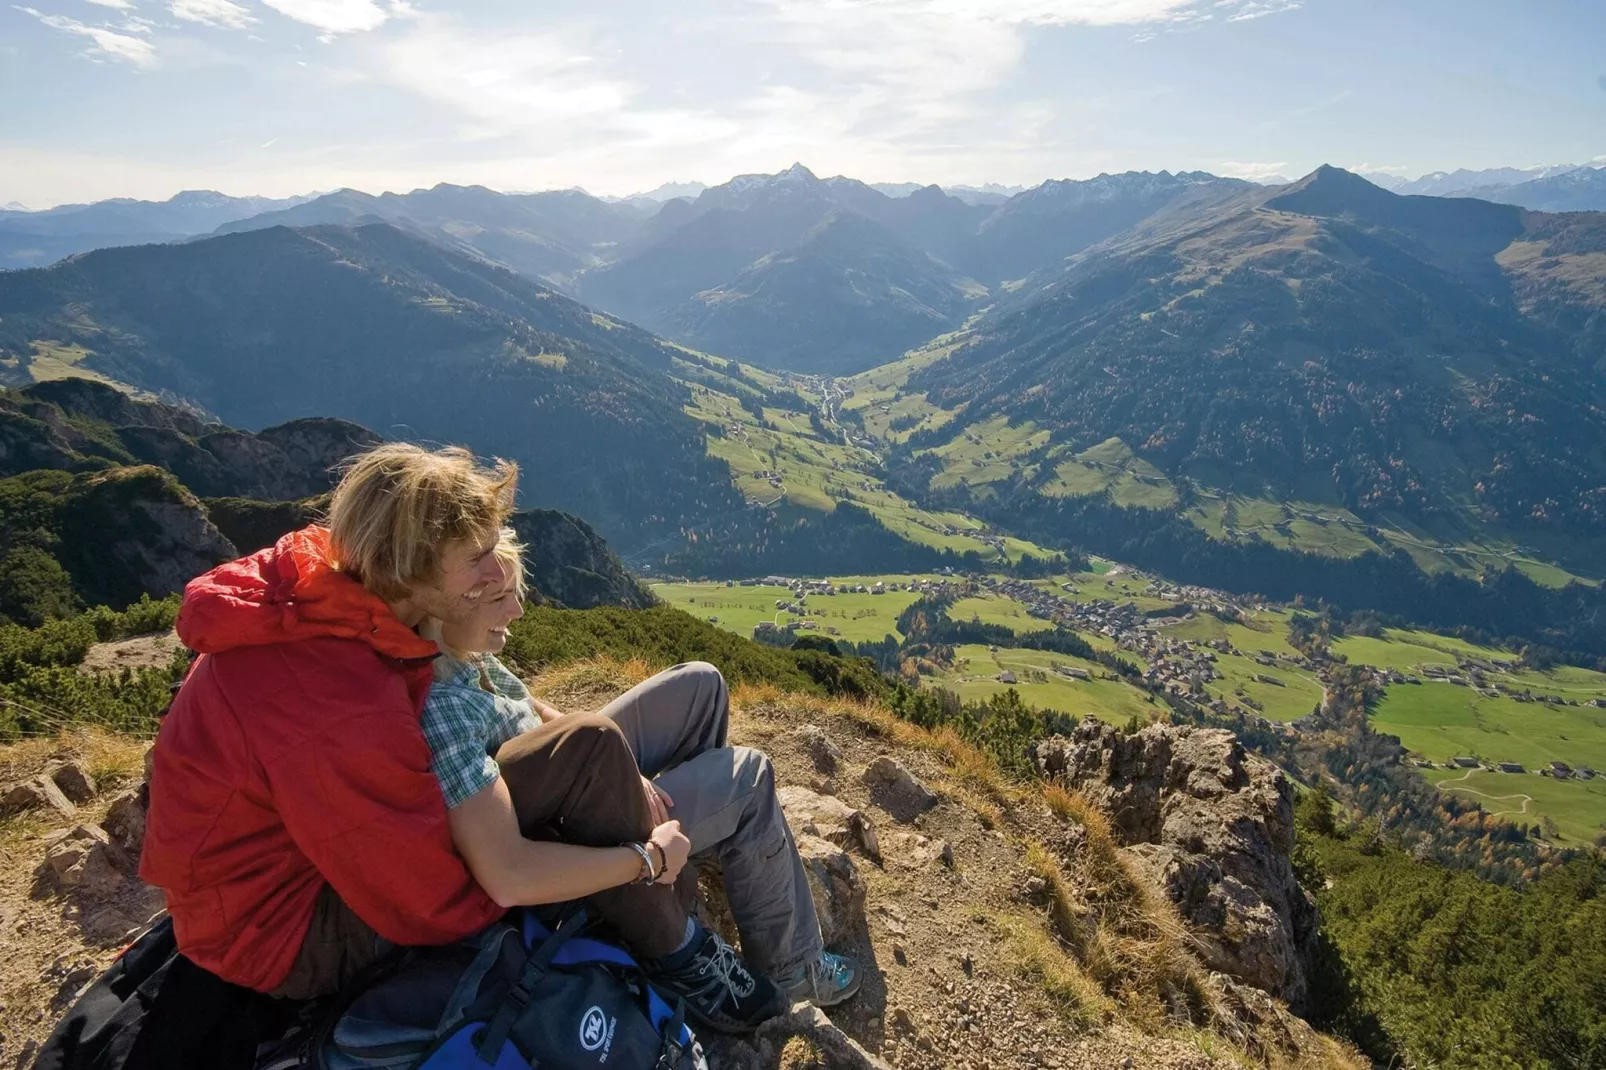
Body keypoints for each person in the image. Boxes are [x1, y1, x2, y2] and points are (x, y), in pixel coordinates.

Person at [417, 533, 860, 1033]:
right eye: (501, 598)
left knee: (702, 685)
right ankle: (793, 968)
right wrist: (639, 846)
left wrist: (616, 762)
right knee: (749, 775)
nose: (518, 611)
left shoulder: (460, 650)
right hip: (568, 833)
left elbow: (531, 709)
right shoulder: (441, 705)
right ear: (446, 599)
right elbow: (507, 868)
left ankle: (705, 845)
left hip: (572, 785)